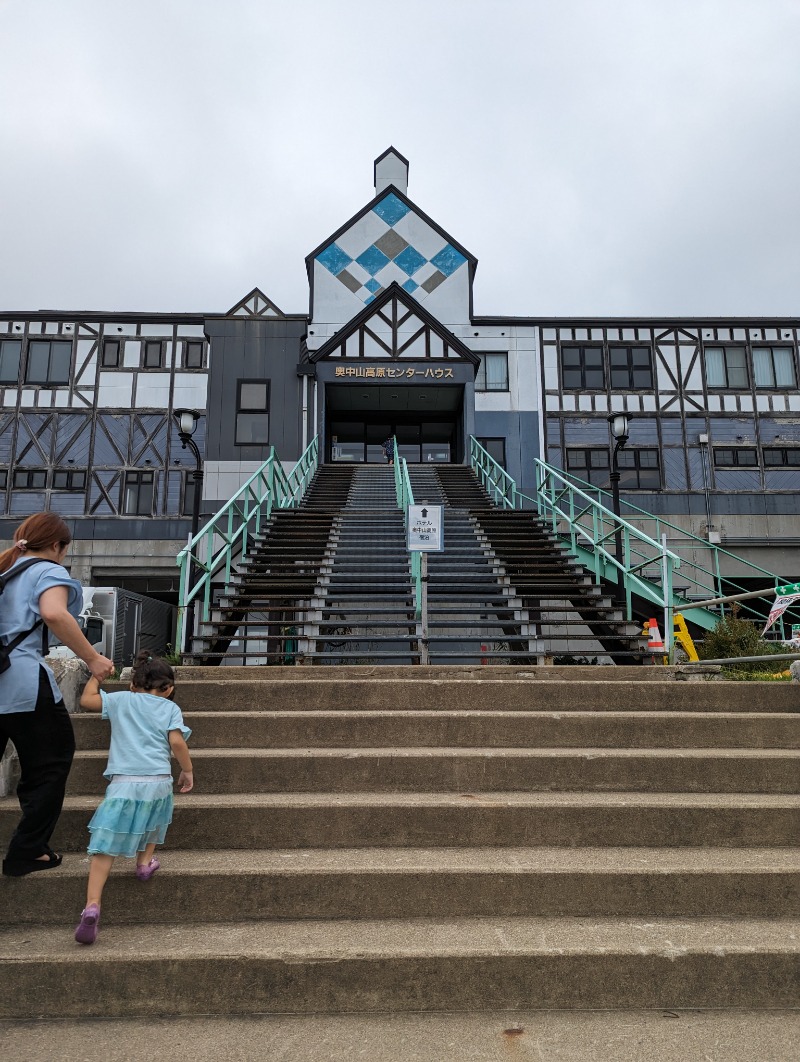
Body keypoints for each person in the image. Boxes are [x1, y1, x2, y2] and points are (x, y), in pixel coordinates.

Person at [0, 513, 115, 878]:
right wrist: (94, 658)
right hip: (20, 682)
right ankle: (27, 850)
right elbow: (53, 613)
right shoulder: (47, 571)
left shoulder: (5, 572)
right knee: (51, 763)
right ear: (57, 546)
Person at [74, 651, 194, 945]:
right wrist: (187, 770)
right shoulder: (168, 708)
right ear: (168, 689)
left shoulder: (120, 700)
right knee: (154, 821)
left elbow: (87, 700)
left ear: (132, 684)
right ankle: (144, 863)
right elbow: (176, 741)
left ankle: (92, 905)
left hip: (124, 782)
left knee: (106, 843)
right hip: (158, 781)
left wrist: (97, 676)